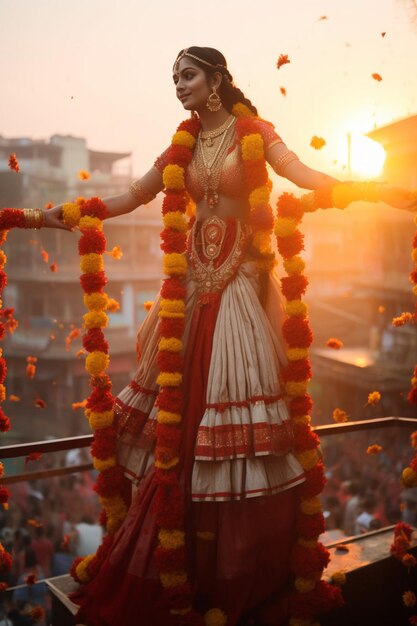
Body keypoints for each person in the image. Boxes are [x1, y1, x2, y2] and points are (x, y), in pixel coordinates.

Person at [35, 46, 416, 626]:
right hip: (188, 290)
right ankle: (176, 564)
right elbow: (134, 196)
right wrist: (67, 213)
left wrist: (366, 188)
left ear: (217, 80)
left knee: (231, 431)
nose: (178, 86)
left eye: (187, 75)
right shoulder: (180, 143)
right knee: (176, 427)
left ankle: (235, 572)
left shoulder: (254, 132)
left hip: (239, 288)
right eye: (174, 78)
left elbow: (301, 175)